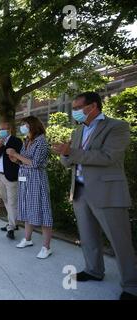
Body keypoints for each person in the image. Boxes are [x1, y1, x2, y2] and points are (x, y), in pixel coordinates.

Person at [52, 92, 137, 300]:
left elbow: (108, 157)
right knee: (88, 236)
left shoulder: (117, 126)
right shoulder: (78, 131)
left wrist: (71, 152)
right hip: (80, 190)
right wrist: (65, 153)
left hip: (107, 192)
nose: (75, 112)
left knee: (120, 241)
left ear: (93, 106)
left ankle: (132, 285)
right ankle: (93, 270)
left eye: (78, 107)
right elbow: (67, 161)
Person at [6, 116, 53, 259]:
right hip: (25, 180)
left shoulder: (41, 142)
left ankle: (46, 247)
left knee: (43, 211)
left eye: (25, 125)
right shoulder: (27, 141)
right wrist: (15, 158)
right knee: (26, 208)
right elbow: (23, 161)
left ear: (33, 126)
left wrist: (16, 155)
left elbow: (35, 163)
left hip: (36, 180)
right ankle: (27, 239)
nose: (23, 127)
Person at [0, 122, 23, 239]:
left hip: (11, 176)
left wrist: (2, 147)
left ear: (9, 129)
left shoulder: (16, 141)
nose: (1, 131)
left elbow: (17, 157)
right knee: (6, 200)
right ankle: (12, 223)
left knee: (12, 202)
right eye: (0, 129)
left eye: (3, 129)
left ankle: (11, 226)